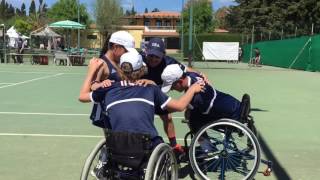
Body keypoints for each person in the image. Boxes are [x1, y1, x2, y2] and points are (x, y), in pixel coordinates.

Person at [78, 51, 204, 178]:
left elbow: (82, 96)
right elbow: (180, 106)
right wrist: (193, 89)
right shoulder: (150, 89)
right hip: (146, 146)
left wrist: (91, 71)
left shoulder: (108, 88)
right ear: (142, 69)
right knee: (161, 146)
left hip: (117, 146)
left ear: (120, 70)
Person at [139, 37, 209, 150]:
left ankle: (174, 145)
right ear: (146, 52)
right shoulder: (139, 60)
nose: (153, 59)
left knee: (168, 117)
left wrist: (201, 74)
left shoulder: (169, 62)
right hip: (141, 94)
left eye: (157, 56)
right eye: (151, 55)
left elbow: (186, 69)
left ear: (163, 55)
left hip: (159, 93)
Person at [161, 64, 245, 136]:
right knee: (190, 114)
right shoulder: (192, 75)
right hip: (233, 103)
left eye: (172, 86)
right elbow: (185, 69)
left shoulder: (196, 97)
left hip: (230, 114)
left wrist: (160, 109)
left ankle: (207, 148)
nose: (171, 89)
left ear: (180, 81)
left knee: (192, 121)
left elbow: (180, 106)